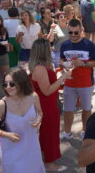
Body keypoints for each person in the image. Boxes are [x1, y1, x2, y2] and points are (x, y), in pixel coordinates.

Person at [0, 68, 45, 173]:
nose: (8, 87)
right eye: (5, 84)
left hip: (32, 147)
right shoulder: (1, 105)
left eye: (11, 84)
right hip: (11, 151)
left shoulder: (33, 97)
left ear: (22, 83)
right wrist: (5, 134)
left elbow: (40, 112)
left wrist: (39, 121)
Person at [29, 39, 71, 172]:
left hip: (46, 103)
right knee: (50, 133)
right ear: (44, 51)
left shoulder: (39, 66)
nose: (51, 49)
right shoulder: (40, 69)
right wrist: (62, 78)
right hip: (46, 105)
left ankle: (44, 157)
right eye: (49, 47)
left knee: (46, 133)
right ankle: (50, 164)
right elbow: (47, 91)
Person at [60, 19, 95, 141]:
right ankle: (67, 132)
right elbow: (61, 60)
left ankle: (85, 131)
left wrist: (83, 64)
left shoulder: (89, 44)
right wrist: (64, 64)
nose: (73, 35)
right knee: (67, 110)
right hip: (69, 83)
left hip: (85, 83)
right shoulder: (64, 45)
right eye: (70, 32)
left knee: (86, 109)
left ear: (81, 30)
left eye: (76, 33)